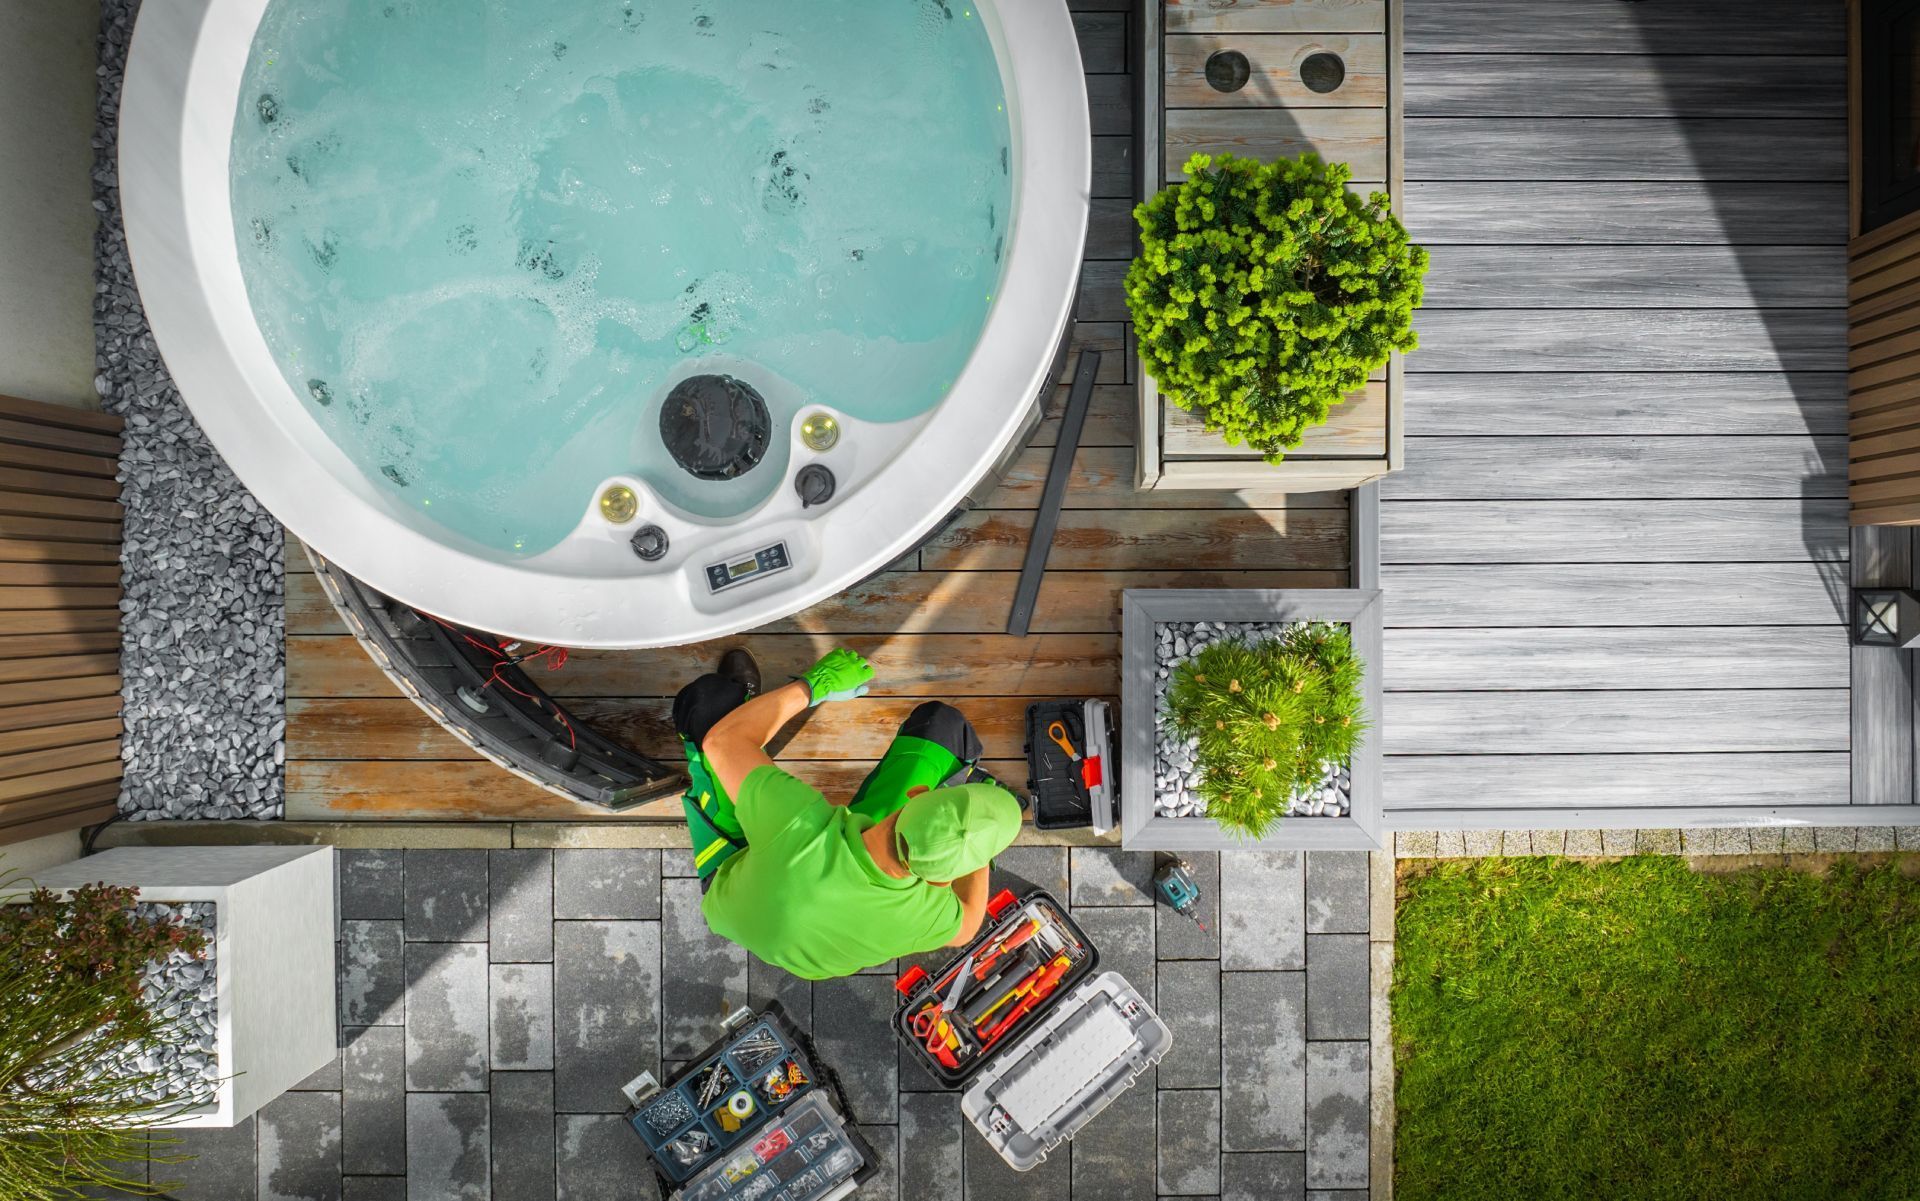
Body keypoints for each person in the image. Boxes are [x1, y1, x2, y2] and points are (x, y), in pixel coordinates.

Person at [672, 646, 1023, 981]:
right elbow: (968, 926)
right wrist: (973, 849)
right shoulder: (926, 916)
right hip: (789, 928)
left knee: (709, 704)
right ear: (939, 881)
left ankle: (747, 711)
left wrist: (812, 685)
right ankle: (754, 732)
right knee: (943, 730)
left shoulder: (800, 823)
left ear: (918, 796)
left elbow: (721, 742)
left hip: (735, 878)